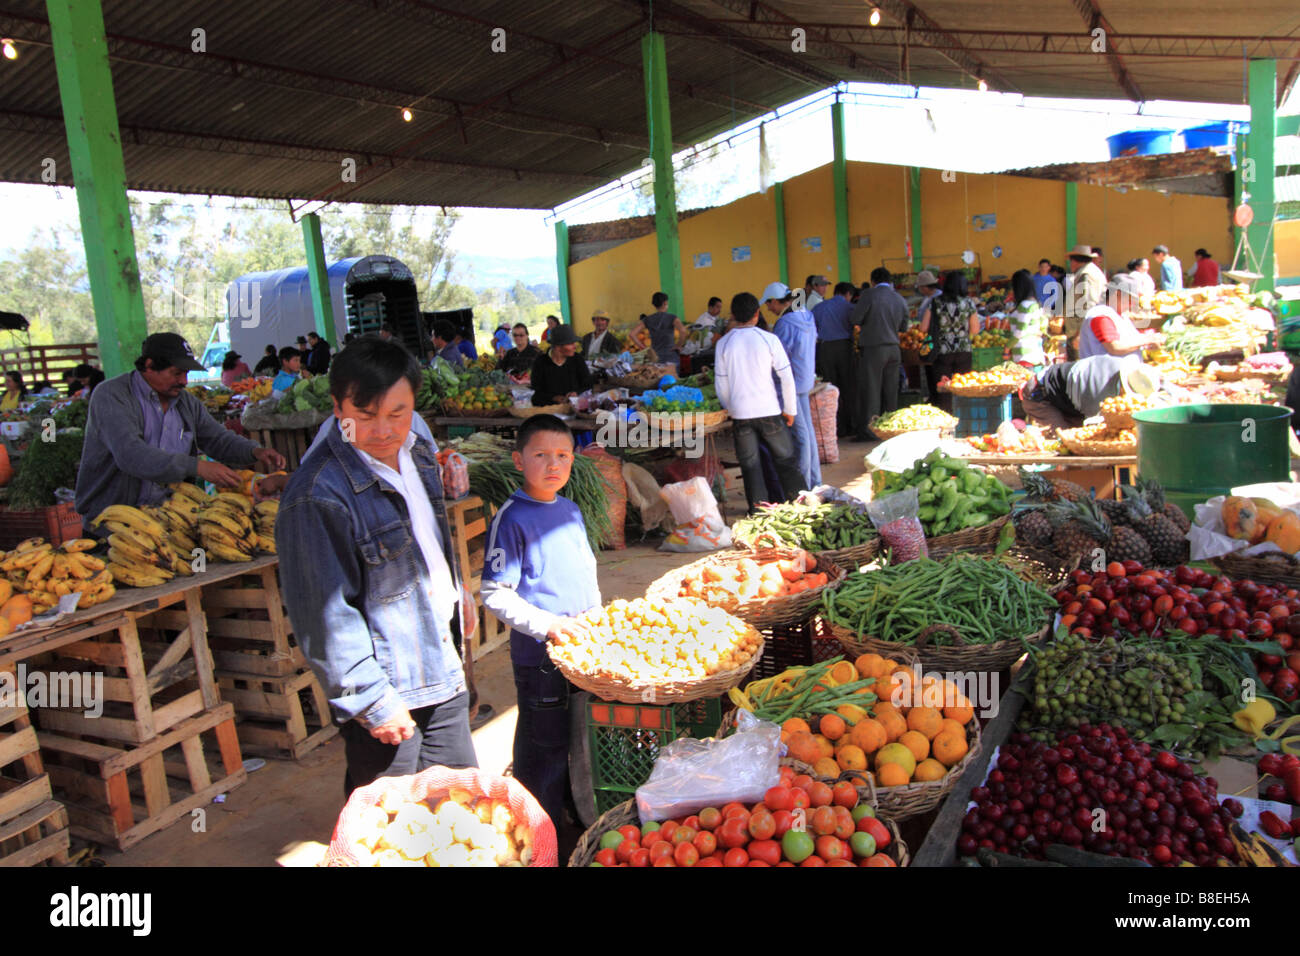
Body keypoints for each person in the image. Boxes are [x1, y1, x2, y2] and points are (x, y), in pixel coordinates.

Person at [276, 337, 478, 796]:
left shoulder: (419, 453)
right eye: (364, 416)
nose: (384, 430)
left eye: (398, 413)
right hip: (389, 685)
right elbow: (322, 615)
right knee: (392, 827)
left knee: (460, 805)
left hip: (440, 663)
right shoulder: (316, 493)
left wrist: (454, 590)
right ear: (336, 407)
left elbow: (424, 540)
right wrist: (370, 700)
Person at [480, 415, 601, 831]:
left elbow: (584, 571)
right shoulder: (512, 519)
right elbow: (494, 591)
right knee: (543, 743)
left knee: (576, 735)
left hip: (583, 650)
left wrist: (599, 617)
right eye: (541, 455)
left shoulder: (570, 510)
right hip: (541, 657)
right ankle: (539, 830)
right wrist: (550, 625)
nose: (554, 465)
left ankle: (567, 812)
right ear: (518, 460)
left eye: (563, 455)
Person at [75, 333, 286, 526]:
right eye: (176, 373)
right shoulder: (112, 396)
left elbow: (217, 439)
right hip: (114, 523)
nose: (183, 381)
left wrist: (254, 451)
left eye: (185, 373)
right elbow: (130, 454)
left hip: (171, 517)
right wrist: (196, 467)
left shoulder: (185, 402)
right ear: (149, 365)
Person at [714, 291, 805, 512]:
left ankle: (759, 513)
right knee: (786, 462)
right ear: (757, 313)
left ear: (733, 315)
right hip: (770, 413)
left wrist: (731, 408)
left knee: (751, 467)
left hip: (741, 416)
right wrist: (790, 410)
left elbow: (721, 384)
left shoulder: (724, 343)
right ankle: (800, 507)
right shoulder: (769, 338)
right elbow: (786, 377)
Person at [764, 281, 820, 489]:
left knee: (801, 436)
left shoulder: (784, 324)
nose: (769, 308)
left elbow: (778, 358)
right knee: (809, 433)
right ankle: (815, 481)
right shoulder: (806, 315)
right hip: (805, 379)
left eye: (769, 304)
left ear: (777, 301)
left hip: (791, 385)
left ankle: (804, 487)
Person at [1018, 357, 1163, 429]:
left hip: (1068, 395)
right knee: (1063, 443)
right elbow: (1091, 428)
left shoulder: (1122, 366)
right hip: (1040, 395)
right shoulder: (1097, 394)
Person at [851, 267, 908, 441]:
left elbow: (855, 319)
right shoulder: (899, 298)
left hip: (874, 348)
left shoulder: (869, 295)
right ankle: (890, 428)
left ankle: (870, 431)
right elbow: (904, 327)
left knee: (872, 389)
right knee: (891, 390)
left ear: (873, 281)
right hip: (894, 348)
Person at [919, 271, 980, 411]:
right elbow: (975, 329)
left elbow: (923, 327)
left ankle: (947, 421)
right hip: (964, 350)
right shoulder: (968, 303)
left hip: (942, 351)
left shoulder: (936, 302)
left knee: (944, 389)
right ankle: (963, 418)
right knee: (963, 387)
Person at [812, 281, 856, 438]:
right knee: (847, 388)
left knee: (830, 388)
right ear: (848, 294)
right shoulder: (850, 308)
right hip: (845, 348)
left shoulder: (819, 308)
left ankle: (835, 427)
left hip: (825, 349)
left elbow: (812, 328)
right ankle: (851, 426)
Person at [529, 325, 592, 405]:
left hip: (575, 409)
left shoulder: (577, 359)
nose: (575, 346)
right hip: (549, 411)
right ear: (558, 347)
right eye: (570, 343)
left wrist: (576, 393)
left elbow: (588, 385)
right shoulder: (540, 362)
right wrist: (553, 398)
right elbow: (536, 392)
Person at [1078, 304, 1162, 362]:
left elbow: (1127, 339)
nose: (1133, 304)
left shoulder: (1120, 315)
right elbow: (1115, 348)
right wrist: (1148, 339)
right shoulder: (1101, 315)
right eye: (1130, 298)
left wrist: (1147, 342)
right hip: (1104, 379)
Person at [1065, 245, 1106, 357]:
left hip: (1082, 333)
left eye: (1071, 261)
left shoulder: (1086, 275)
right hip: (1082, 331)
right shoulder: (1090, 271)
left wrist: (1080, 334)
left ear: (1075, 261)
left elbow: (1089, 305)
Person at [630, 292, 687, 371]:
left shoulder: (648, 319)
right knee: (672, 381)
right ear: (665, 303)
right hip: (671, 357)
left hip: (655, 359)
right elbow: (683, 331)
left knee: (658, 380)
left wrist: (644, 348)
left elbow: (632, 334)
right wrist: (678, 345)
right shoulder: (672, 317)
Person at [1008, 269, 1049, 369]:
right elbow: (1043, 327)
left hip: (1024, 356)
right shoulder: (1036, 304)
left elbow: (1020, 331)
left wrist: (1007, 347)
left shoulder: (1025, 306)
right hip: (1035, 354)